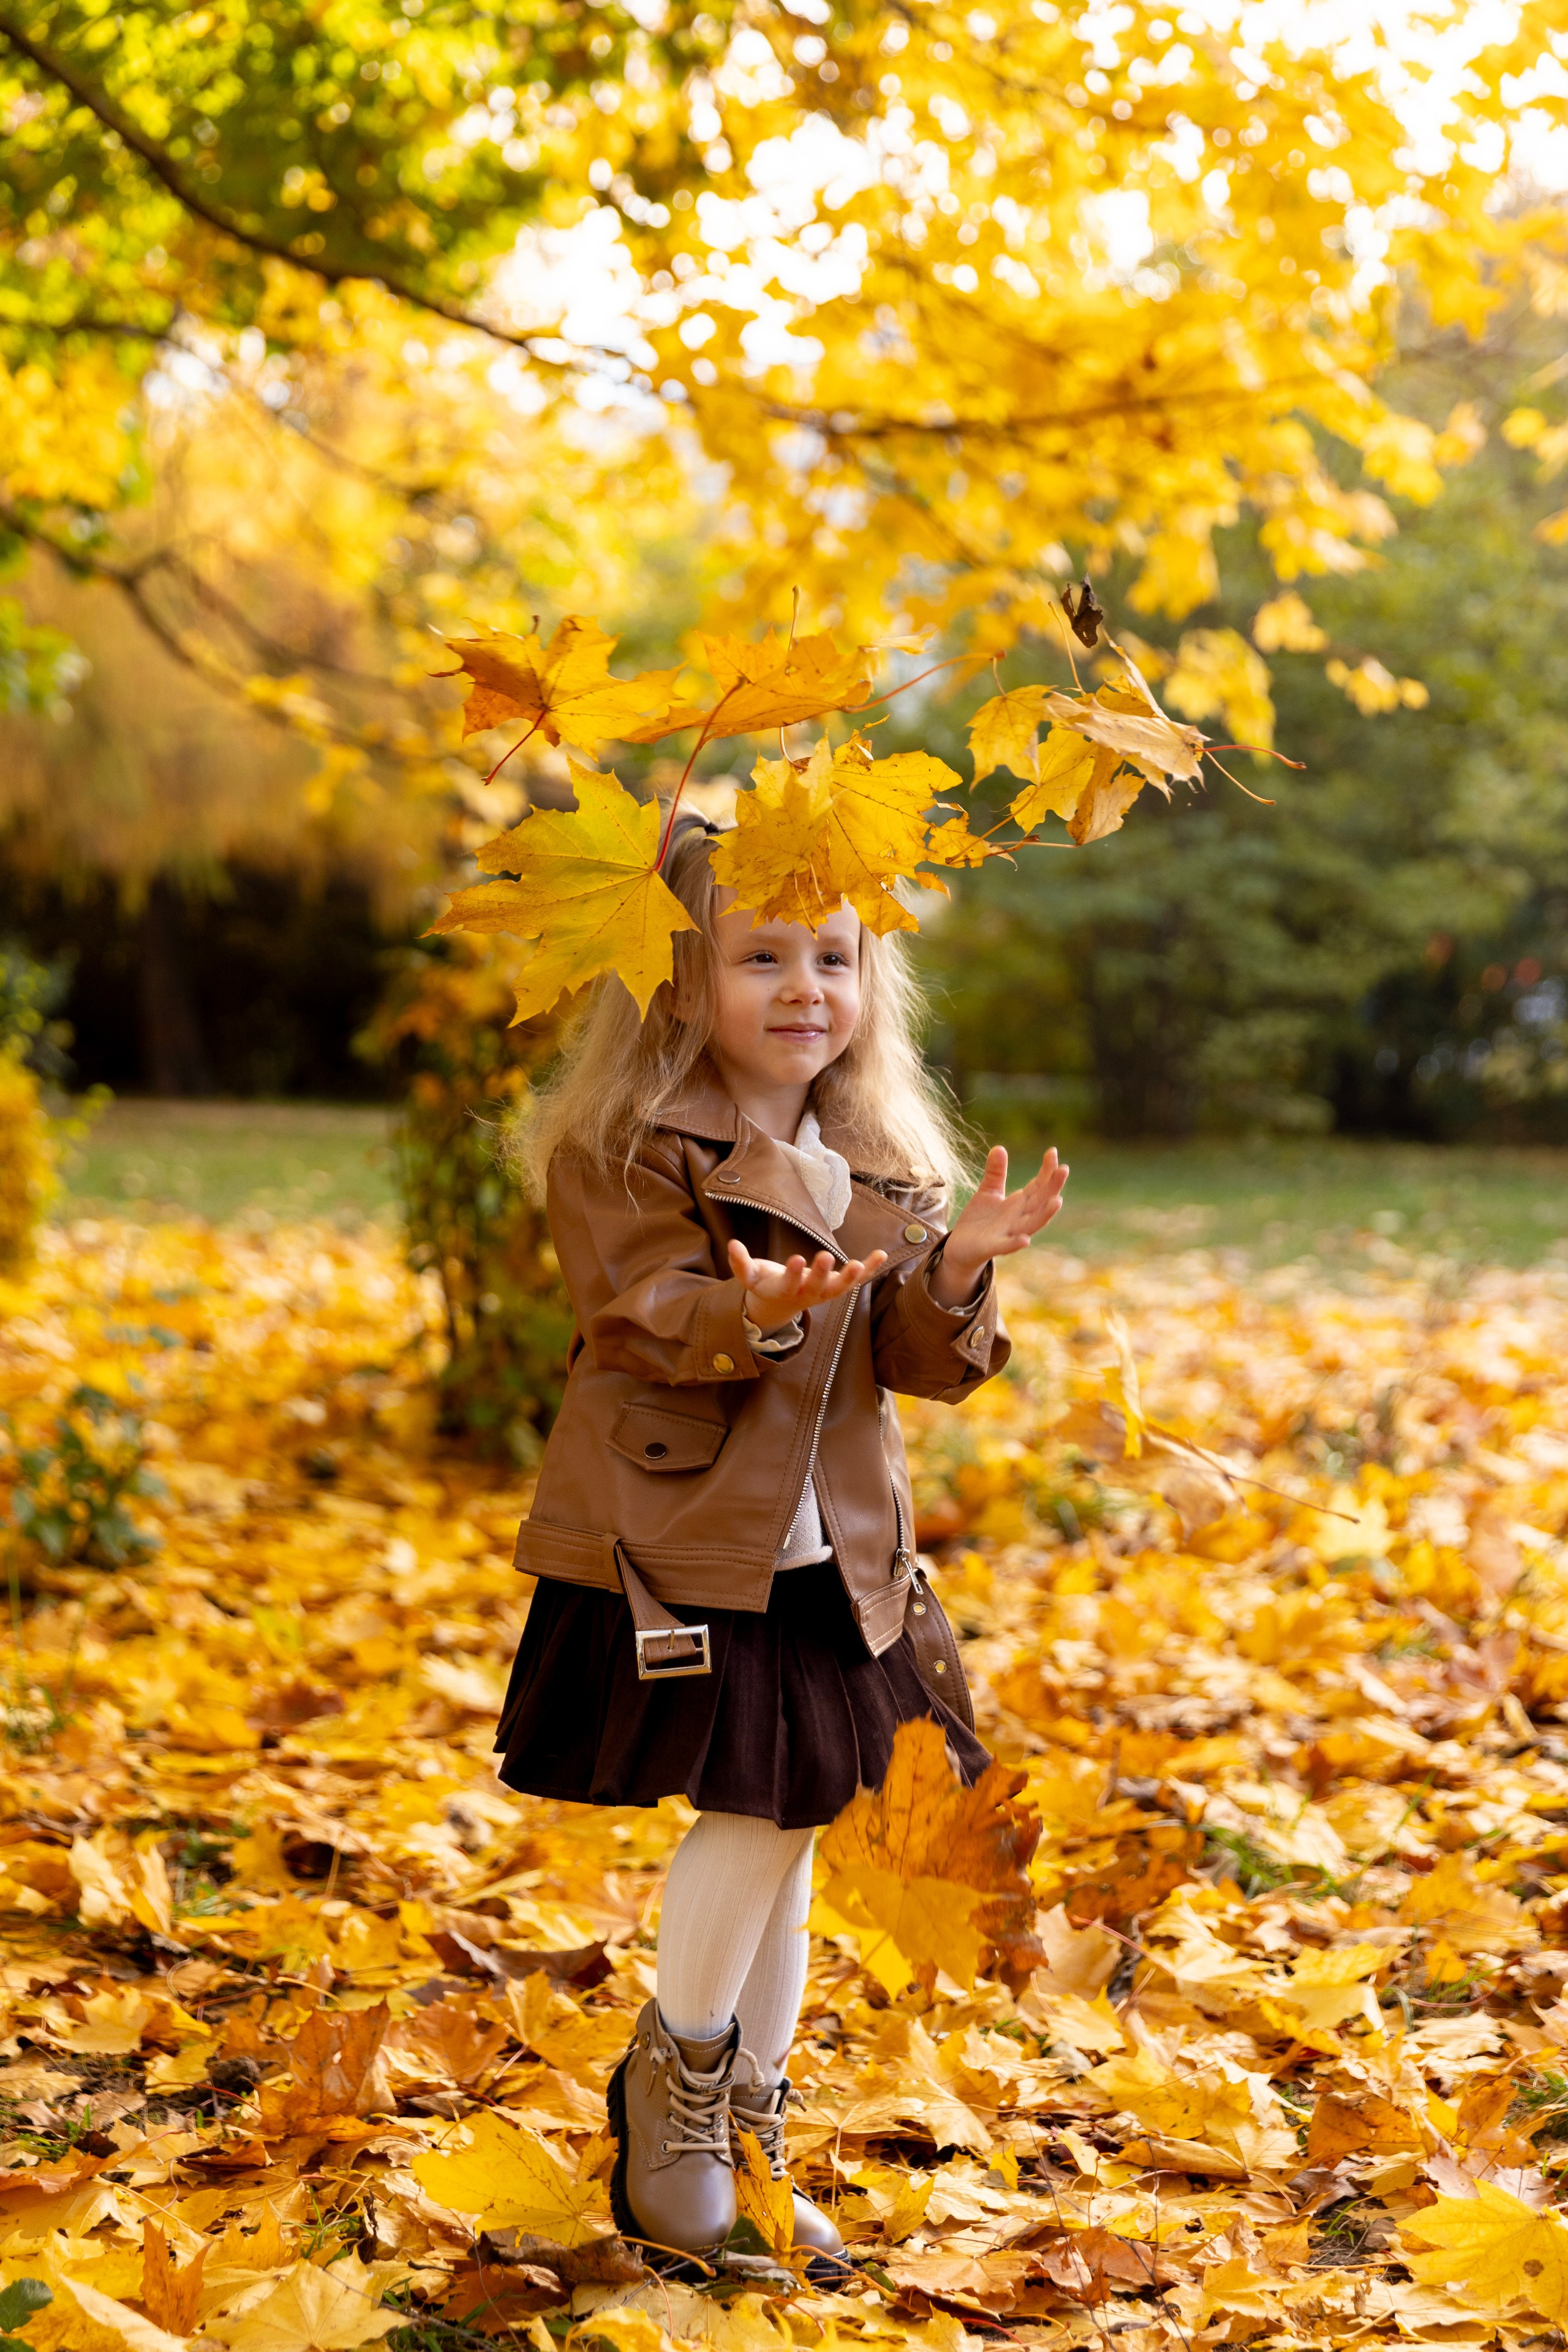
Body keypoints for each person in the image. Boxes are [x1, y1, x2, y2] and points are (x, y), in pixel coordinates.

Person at [494, 811, 1068, 2266]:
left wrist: (950, 1271)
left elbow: (917, 1362)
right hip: (687, 1537)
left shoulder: (869, 1155)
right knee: (751, 1808)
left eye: (833, 956)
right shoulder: (628, 1146)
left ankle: (744, 2116)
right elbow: (634, 1311)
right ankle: (671, 2098)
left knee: (801, 1820)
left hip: (834, 1556)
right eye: (762, 956)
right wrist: (742, 1312)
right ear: (683, 983)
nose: (804, 986)